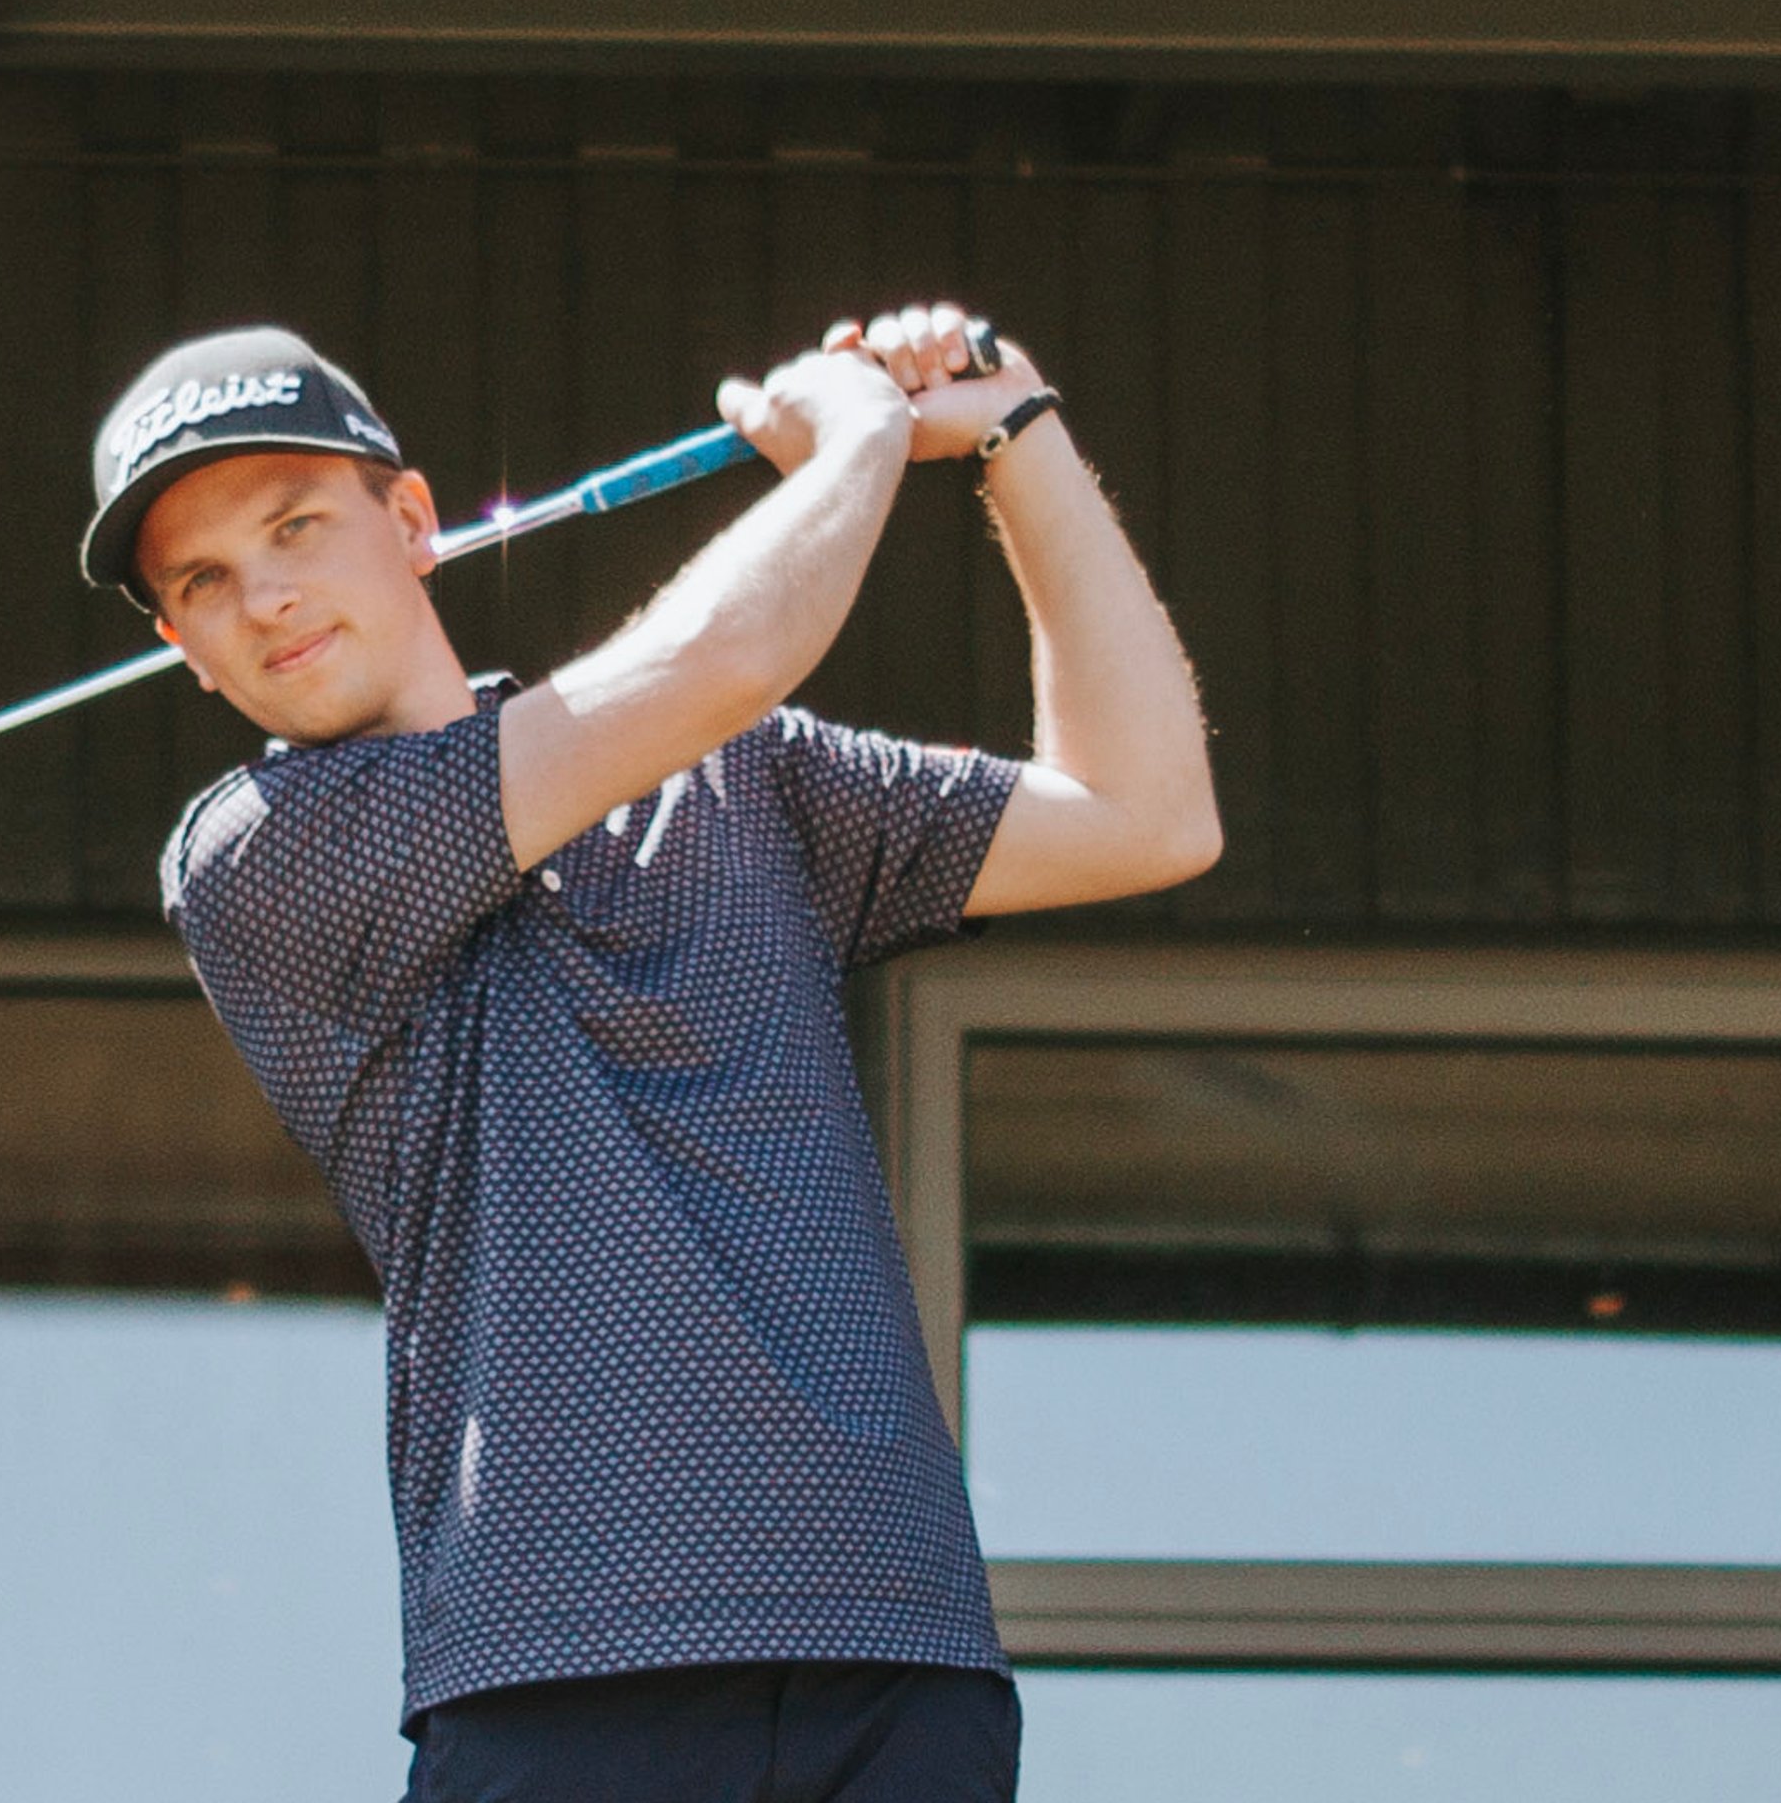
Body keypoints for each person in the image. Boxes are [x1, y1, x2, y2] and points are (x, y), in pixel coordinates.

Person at [81, 303, 1222, 1802]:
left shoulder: (742, 778)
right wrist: (864, 437)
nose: (268, 599)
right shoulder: (254, 856)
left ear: (413, 521)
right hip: (561, 1667)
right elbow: (724, 652)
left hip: (896, 1651)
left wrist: (1019, 435)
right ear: (185, 648)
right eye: (207, 583)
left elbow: (1147, 815)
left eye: (298, 527)